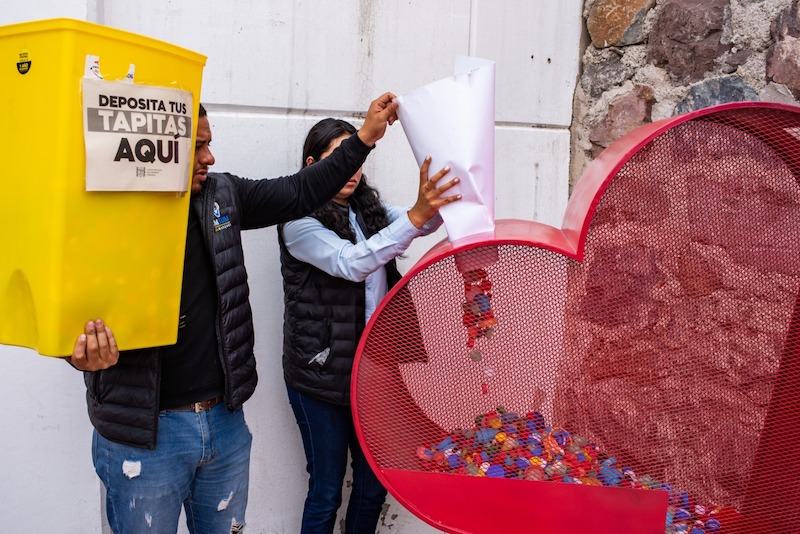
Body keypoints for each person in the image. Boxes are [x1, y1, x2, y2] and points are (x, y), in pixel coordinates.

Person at [68, 95, 399, 534]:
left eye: (209, 143)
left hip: (223, 424)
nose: (210, 156)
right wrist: (76, 354)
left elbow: (297, 191)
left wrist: (363, 140)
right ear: (153, 149)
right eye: (197, 146)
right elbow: (66, 310)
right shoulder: (101, 215)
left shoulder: (222, 194)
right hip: (146, 437)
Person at [278, 118, 461, 534]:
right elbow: (352, 263)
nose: (352, 170)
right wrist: (416, 215)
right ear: (313, 165)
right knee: (326, 491)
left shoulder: (368, 209)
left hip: (375, 371)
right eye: (339, 159)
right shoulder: (297, 218)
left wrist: (436, 198)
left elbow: (423, 222)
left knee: (374, 484)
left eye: (356, 159)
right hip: (319, 377)